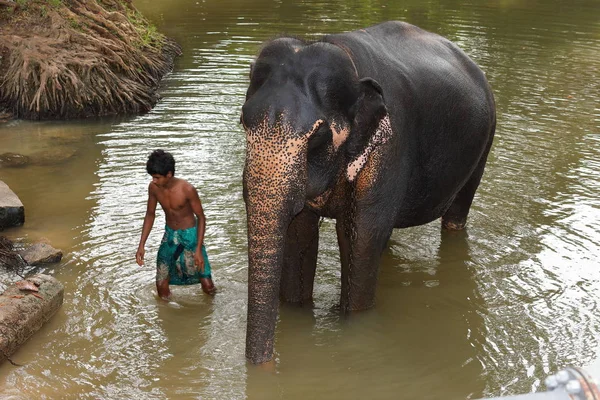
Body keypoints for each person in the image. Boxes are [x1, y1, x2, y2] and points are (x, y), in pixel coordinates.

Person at [136, 149, 215, 299]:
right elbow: (150, 214)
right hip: (170, 236)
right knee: (161, 282)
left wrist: (198, 248)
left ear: (169, 174)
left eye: (157, 177)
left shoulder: (187, 189)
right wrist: (142, 244)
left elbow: (201, 217)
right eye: (152, 177)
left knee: (206, 283)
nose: (154, 181)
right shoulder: (154, 188)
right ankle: (167, 316)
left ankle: (211, 312)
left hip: (191, 235)